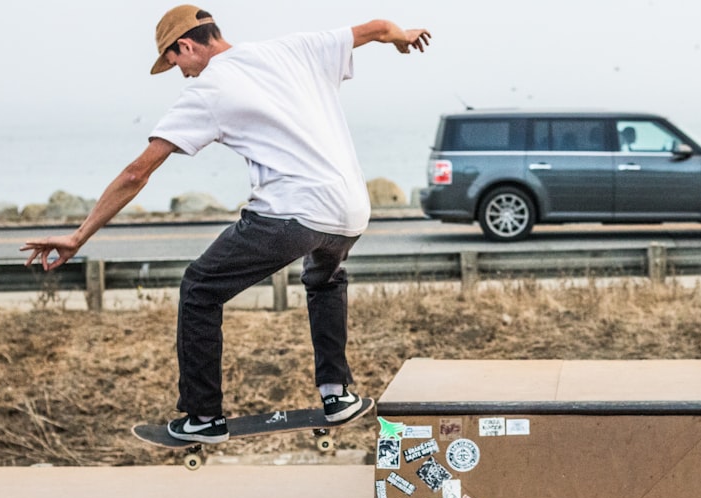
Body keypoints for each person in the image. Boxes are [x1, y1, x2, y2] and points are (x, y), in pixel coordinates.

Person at [21, 5, 431, 444]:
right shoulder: (292, 49)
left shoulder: (210, 88)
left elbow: (136, 174)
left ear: (186, 45)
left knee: (199, 288)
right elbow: (376, 27)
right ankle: (337, 393)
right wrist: (402, 37)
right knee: (325, 278)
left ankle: (203, 417)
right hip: (350, 210)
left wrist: (79, 235)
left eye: (175, 62)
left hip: (290, 212)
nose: (181, 74)